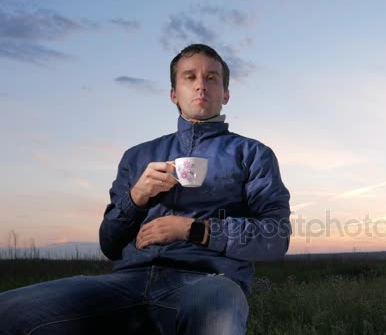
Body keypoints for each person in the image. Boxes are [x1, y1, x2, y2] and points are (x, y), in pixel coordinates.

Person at [0, 43, 291, 334]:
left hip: (208, 281)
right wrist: (135, 198)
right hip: (127, 281)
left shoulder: (252, 154)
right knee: (10, 310)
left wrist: (195, 229)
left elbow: (276, 237)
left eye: (211, 78)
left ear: (225, 94)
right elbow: (110, 244)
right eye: (189, 77)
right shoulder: (138, 156)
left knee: (217, 308)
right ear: (174, 94)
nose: (201, 85)